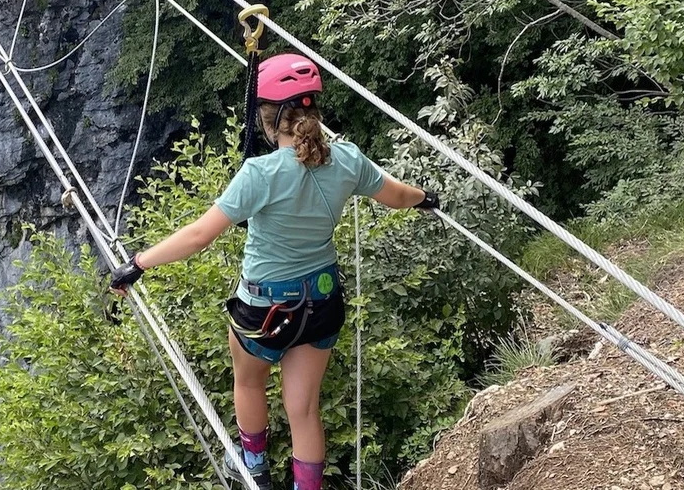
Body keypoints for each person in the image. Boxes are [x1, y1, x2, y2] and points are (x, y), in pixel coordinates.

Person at [110, 53, 439, 490]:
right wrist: (426, 197)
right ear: (315, 110)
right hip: (321, 302)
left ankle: (255, 469)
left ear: (266, 122)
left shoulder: (259, 173)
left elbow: (198, 236)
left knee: (248, 384)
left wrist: (137, 264)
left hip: (264, 309)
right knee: (303, 410)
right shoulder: (348, 160)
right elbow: (399, 196)